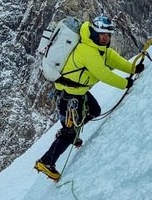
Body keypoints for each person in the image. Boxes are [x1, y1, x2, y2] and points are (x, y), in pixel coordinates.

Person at [34, 15, 145, 181]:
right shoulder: (88, 51)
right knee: (70, 132)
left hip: (77, 91)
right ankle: (46, 162)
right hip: (70, 94)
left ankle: (68, 131)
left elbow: (113, 59)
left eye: (108, 35)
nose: (105, 38)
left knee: (94, 110)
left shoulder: (97, 47)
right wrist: (125, 83)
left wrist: (132, 68)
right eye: (102, 34)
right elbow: (103, 74)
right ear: (93, 32)